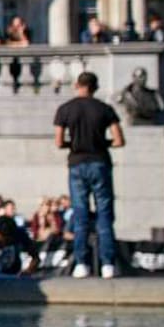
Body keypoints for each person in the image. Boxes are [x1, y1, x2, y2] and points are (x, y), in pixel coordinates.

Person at [54, 71, 125, 278]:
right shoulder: (105, 109)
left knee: (80, 214)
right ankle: (107, 265)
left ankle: (81, 263)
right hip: (100, 161)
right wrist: (102, 143)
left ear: (77, 85)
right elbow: (119, 140)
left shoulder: (65, 109)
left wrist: (74, 143)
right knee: (104, 214)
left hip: (77, 163)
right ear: (95, 87)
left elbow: (58, 142)